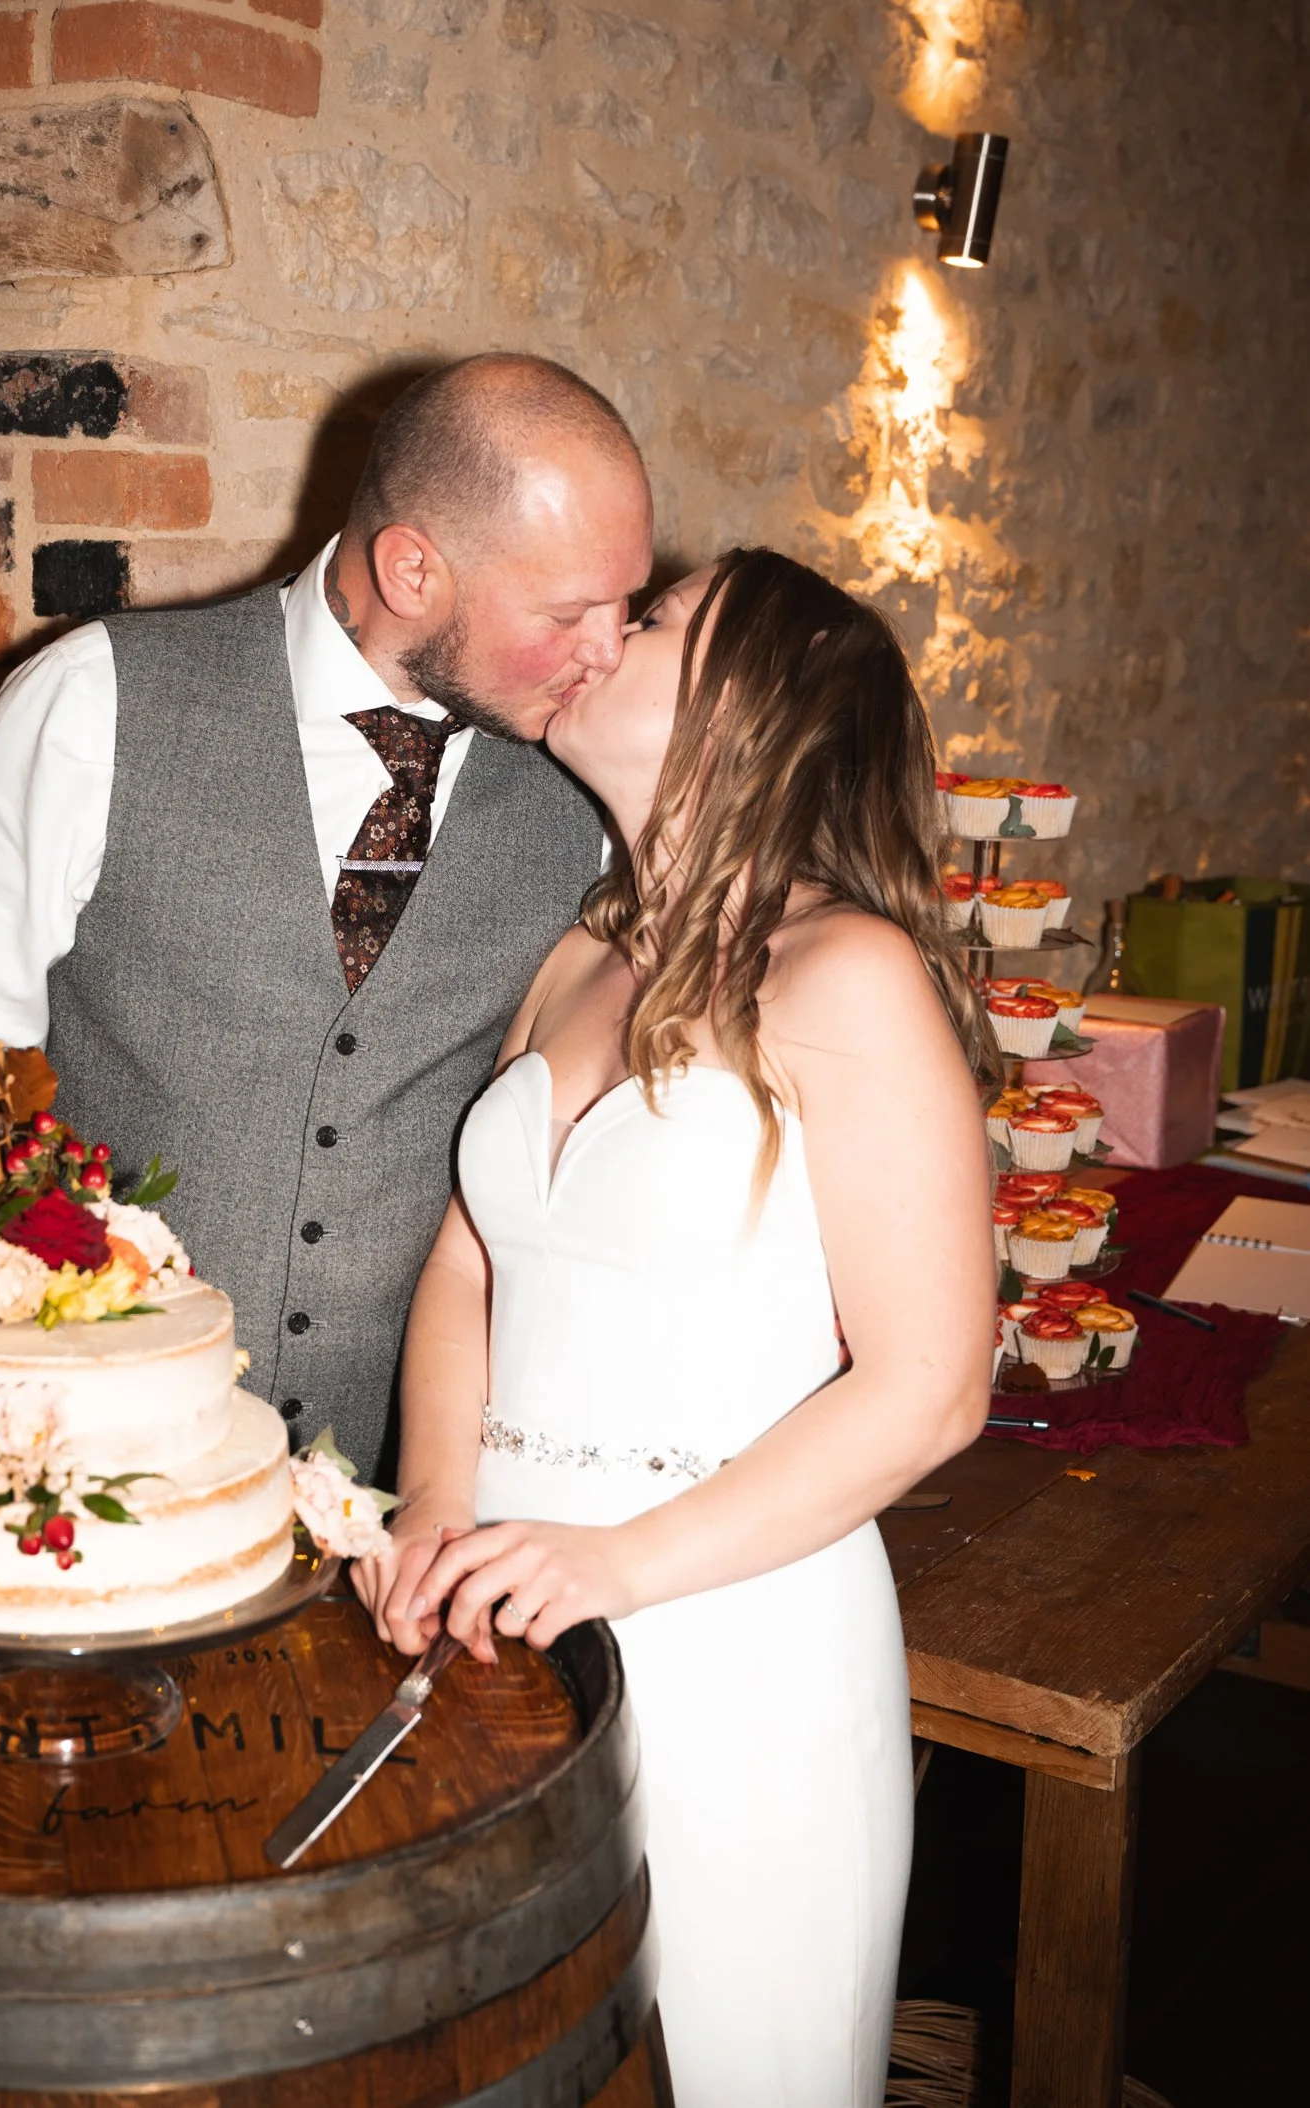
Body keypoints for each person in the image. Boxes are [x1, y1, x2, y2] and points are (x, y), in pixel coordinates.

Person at [355, 547, 997, 2105]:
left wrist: (612, 1566)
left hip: (733, 1637)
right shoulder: (579, 955)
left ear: (746, 710)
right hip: (506, 1626)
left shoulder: (846, 974)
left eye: (649, 623)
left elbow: (929, 1390)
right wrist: (440, 1513)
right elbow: (468, 1268)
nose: (600, 637)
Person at [0, 354, 653, 1481]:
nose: (608, 650)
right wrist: (23, 1331)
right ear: (412, 568)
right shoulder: (94, 701)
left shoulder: (581, 798)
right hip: (90, 1455)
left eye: (626, 602)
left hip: (403, 1499)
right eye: (570, 611)